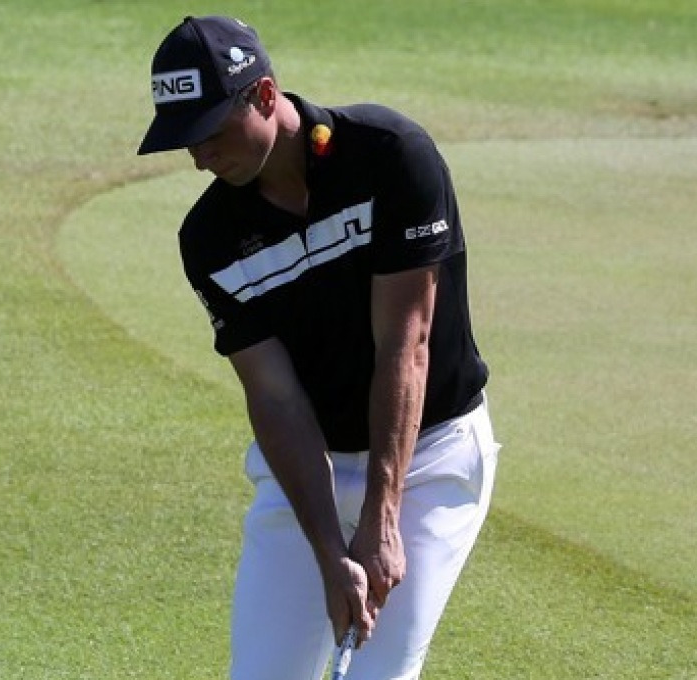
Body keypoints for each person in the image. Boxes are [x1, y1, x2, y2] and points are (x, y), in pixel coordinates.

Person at [138, 15, 501, 680]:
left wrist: (381, 520)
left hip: (428, 455)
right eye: (185, 140)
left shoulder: (390, 155)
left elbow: (406, 347)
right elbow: (275, 398)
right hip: (311, 472)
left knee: (377, 673)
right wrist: (331, 552)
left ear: (265, 95)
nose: (199, 157)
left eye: (210, 131)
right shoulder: (209, 239)